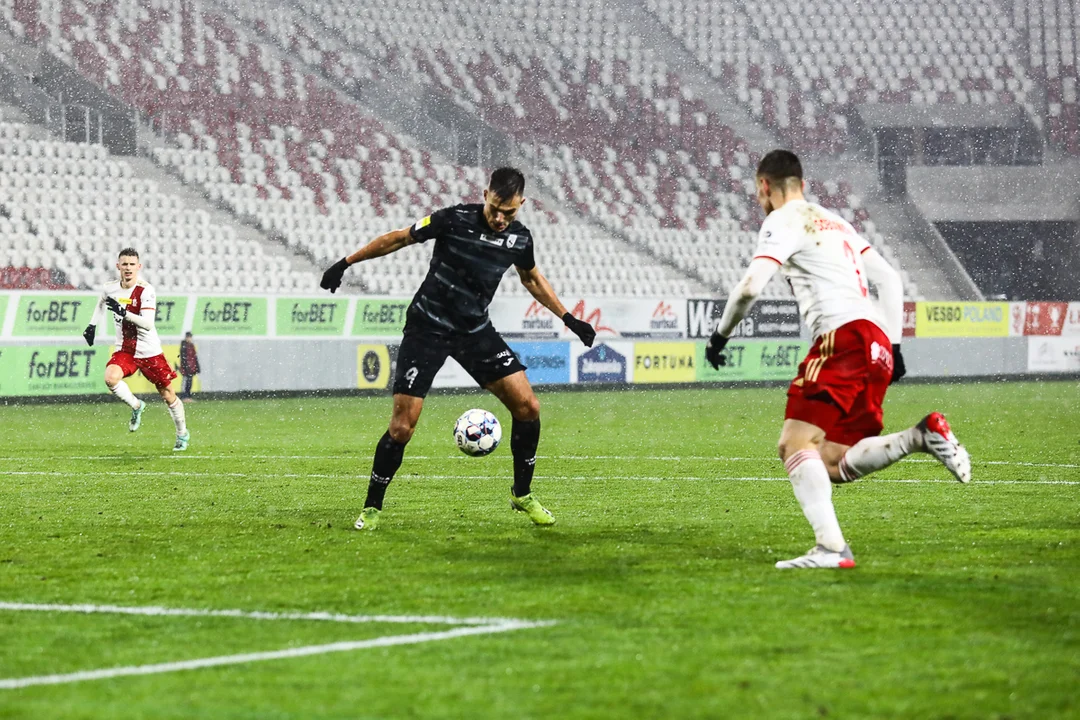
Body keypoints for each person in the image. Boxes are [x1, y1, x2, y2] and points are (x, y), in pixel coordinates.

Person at [705, 150, 971, 569]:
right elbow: (888, 277)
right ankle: (920, 436)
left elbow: (750, 287)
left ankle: (831, 549)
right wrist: (895, 346)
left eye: (759, 192)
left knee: (793, 444)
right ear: (803, 185)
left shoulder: (782, 220)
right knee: (831, 460)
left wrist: (719, 337)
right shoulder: (835, 220)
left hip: (841, 338)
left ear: (764, 187)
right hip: (876, 341)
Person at [320, 167, 596, 531]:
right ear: (485, 194)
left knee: (528, 407)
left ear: (522, 205)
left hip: (474, 331)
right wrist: (346, 263)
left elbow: (531, 277)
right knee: (402, 428)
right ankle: (372, 507)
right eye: (495, 208)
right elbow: (400, 238)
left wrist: (568, 317)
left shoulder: (519, 239)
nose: (500, 218)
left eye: (509, 212)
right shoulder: (453, 219)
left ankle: (522, 494)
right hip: (427, 327)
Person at [82, 248, 190, 451]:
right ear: (118, 266)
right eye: (124, 264)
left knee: (167, 394)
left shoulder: (146, 290)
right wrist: (92, 325)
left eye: (132, 264)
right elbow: (101, 302)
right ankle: (137, 406)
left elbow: (148, 324)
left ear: (138, 267)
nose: (128, 268)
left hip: (149, 350)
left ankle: (182, 434)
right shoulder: (110, 288)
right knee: (110, 378)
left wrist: (124, 313)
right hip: (126, 349)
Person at [179, 332, 200, 401]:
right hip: (187, 368)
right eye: (189, 337)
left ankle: (188, 396)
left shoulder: (191, 345)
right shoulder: (184, 346)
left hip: (191, 368)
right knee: (186, 382)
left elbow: (194, 357)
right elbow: (183, 358)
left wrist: (197, 367)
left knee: (189, 382)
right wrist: (186, 367)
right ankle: (184, 396)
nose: (190, 339)